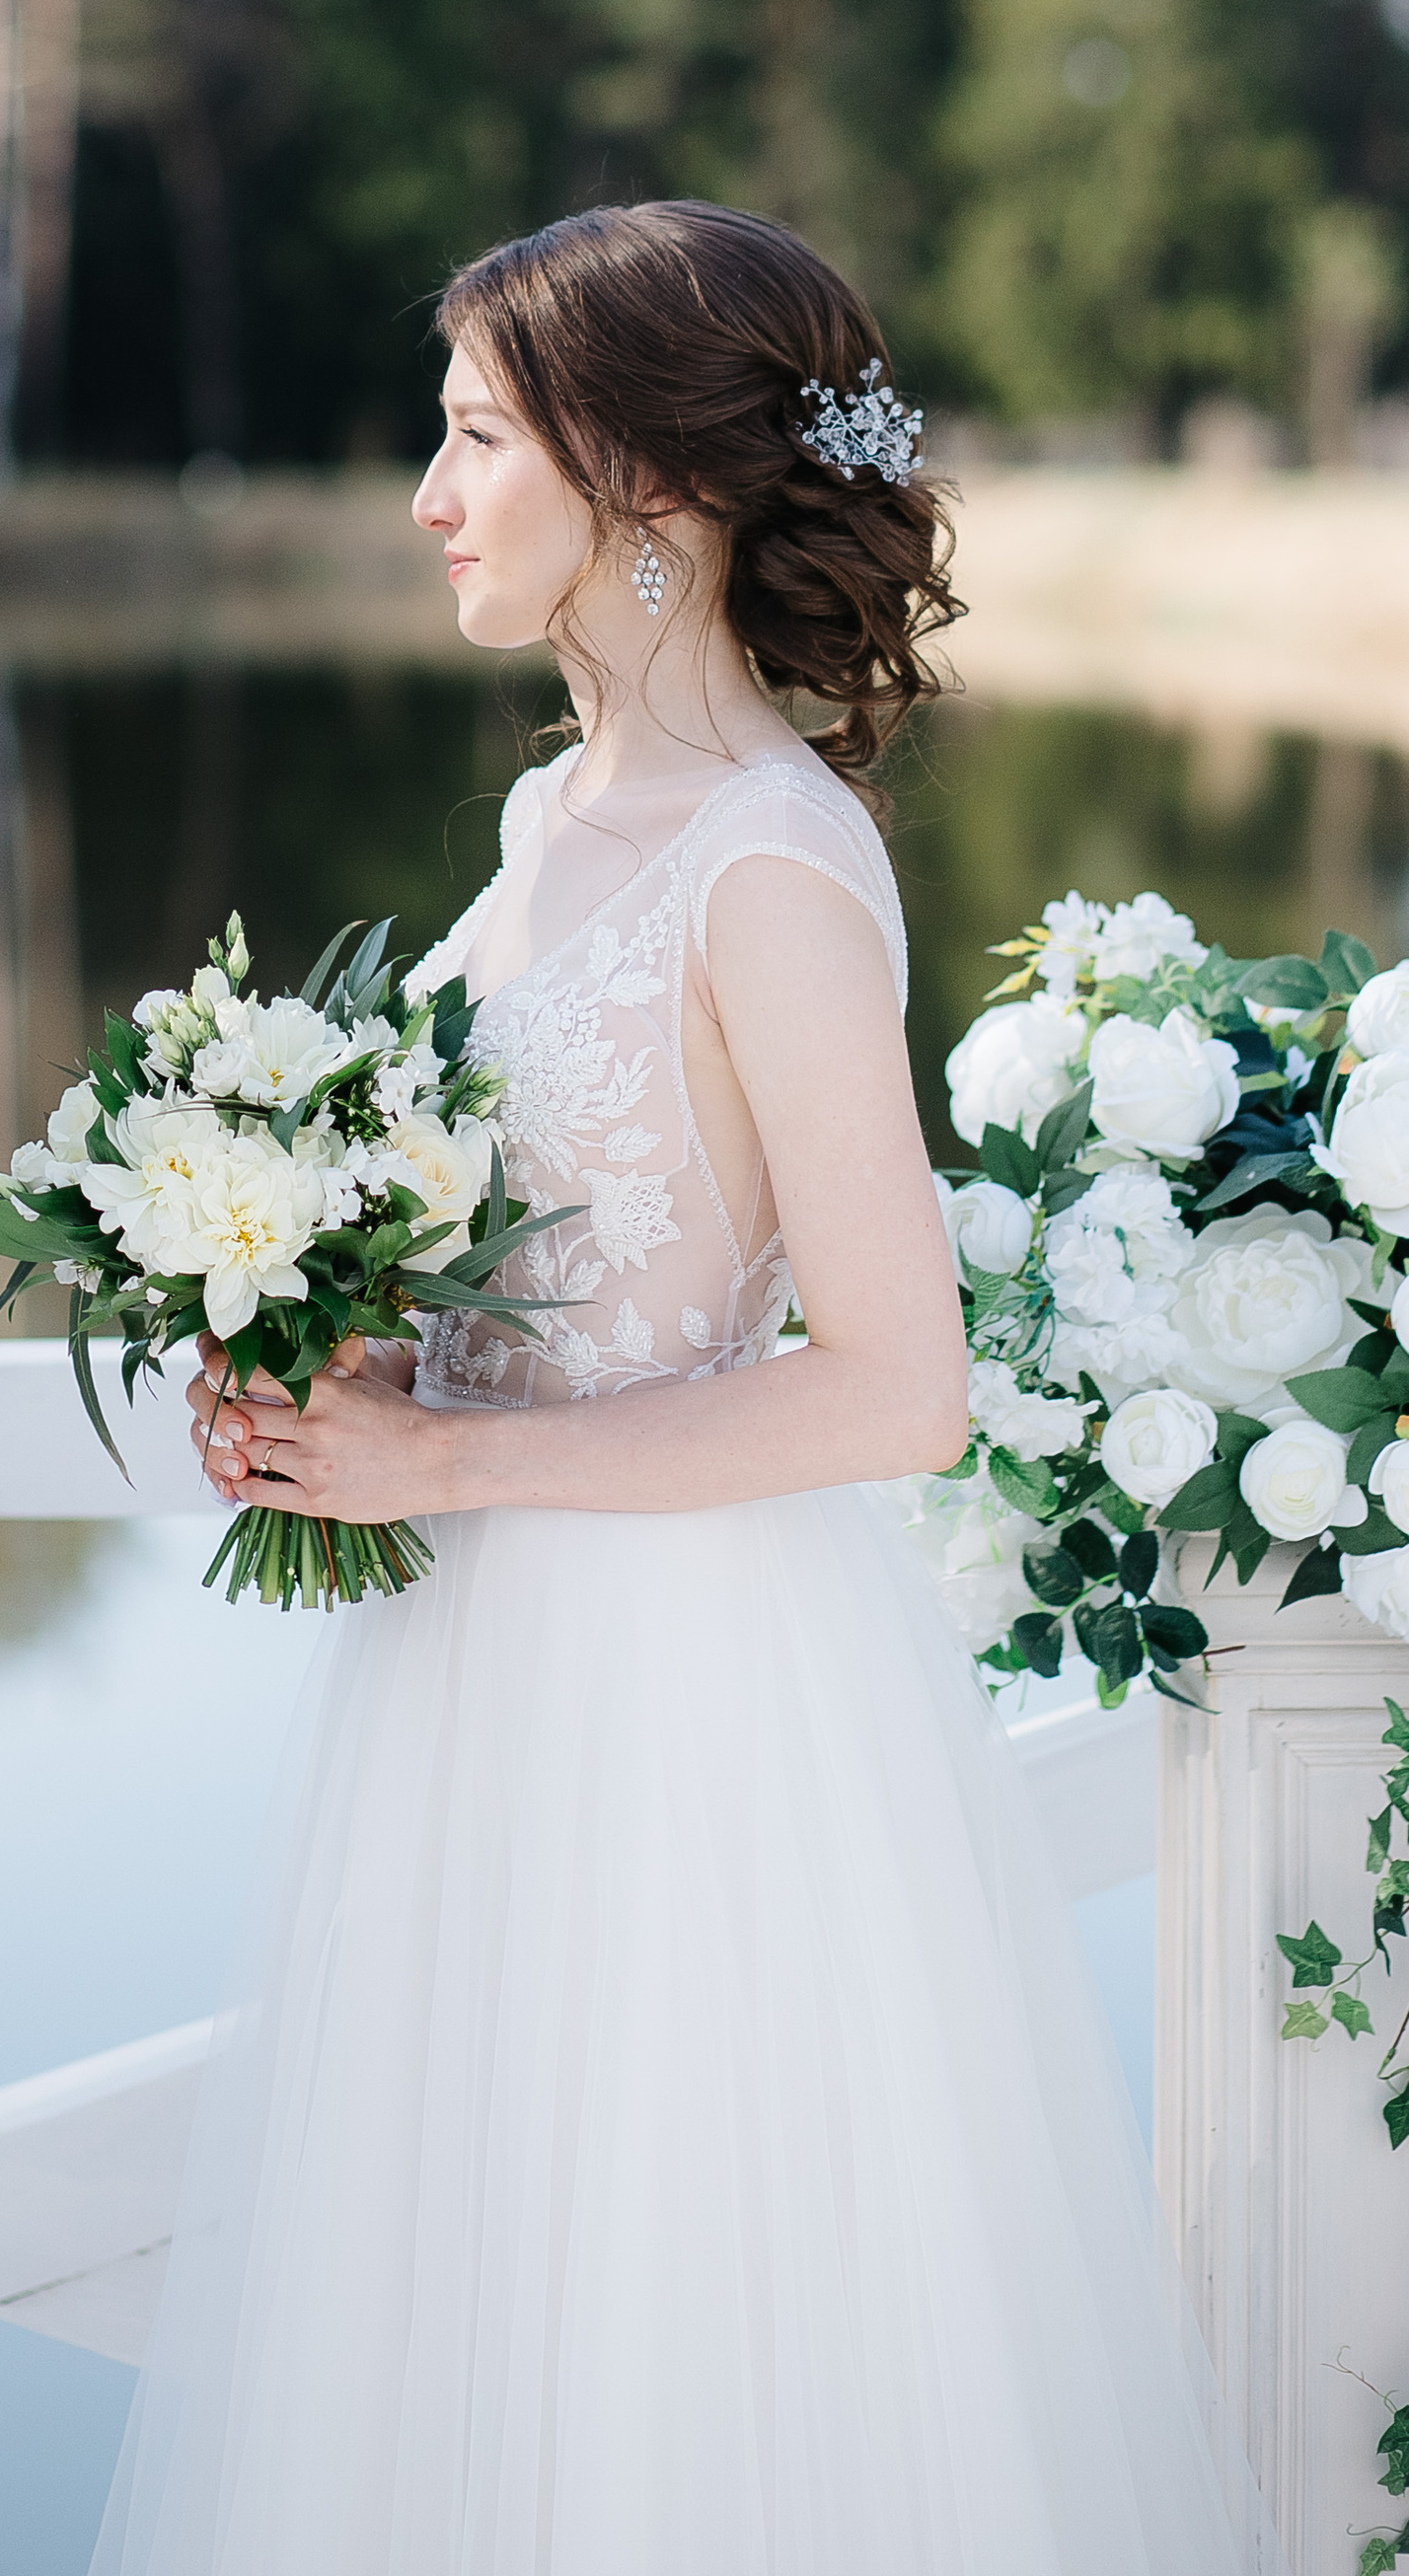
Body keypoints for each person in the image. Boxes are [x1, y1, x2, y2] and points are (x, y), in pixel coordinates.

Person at [96, 201, 1277, 2576]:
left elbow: (893, 1385)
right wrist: (327, 1357)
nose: (424, 498)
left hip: (691, 1707)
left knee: (686, 2338)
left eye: (466, 443)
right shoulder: (547, 822)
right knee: (453, 2330)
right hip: (476, 1681)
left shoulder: (771, 864)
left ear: (643, 487)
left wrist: (445, 1448)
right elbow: (531, 1251)